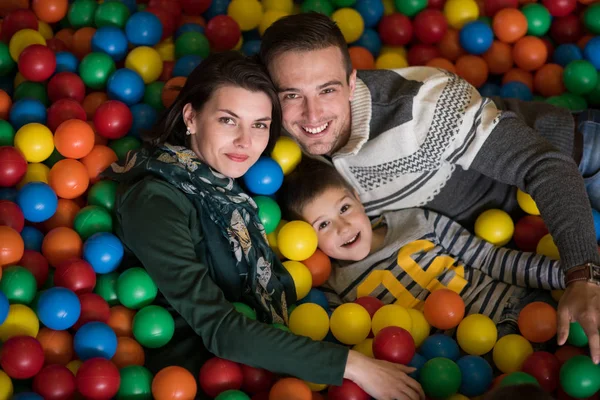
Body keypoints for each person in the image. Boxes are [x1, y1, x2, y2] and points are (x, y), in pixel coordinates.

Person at [259, 13, 600, 362]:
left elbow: (544, 164)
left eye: (327, 90)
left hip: (578, 155)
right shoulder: (273, 145)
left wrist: (582, 274)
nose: (312, 115)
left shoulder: (424, 107)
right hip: (504, 233)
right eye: (291, 95)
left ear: (350, 82)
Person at [101, 51, 425, 400]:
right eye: (228, 120)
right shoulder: (155, 200)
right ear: (191, 117)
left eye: (259, 125)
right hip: (202, 378)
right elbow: (219, 327)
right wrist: (355, 366)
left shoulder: (228, 182)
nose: (246, 142)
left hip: (273, 355)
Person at [279, 158, 565, 339]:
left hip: (518, 303)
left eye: (344, 208)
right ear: (306, 238)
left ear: (357, 198)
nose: (343, 227)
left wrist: (567, 275)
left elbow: (490, 258)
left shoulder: (414, 219)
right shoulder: (334, 288)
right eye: (323, 225)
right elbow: (348, 342)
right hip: (465, 360)